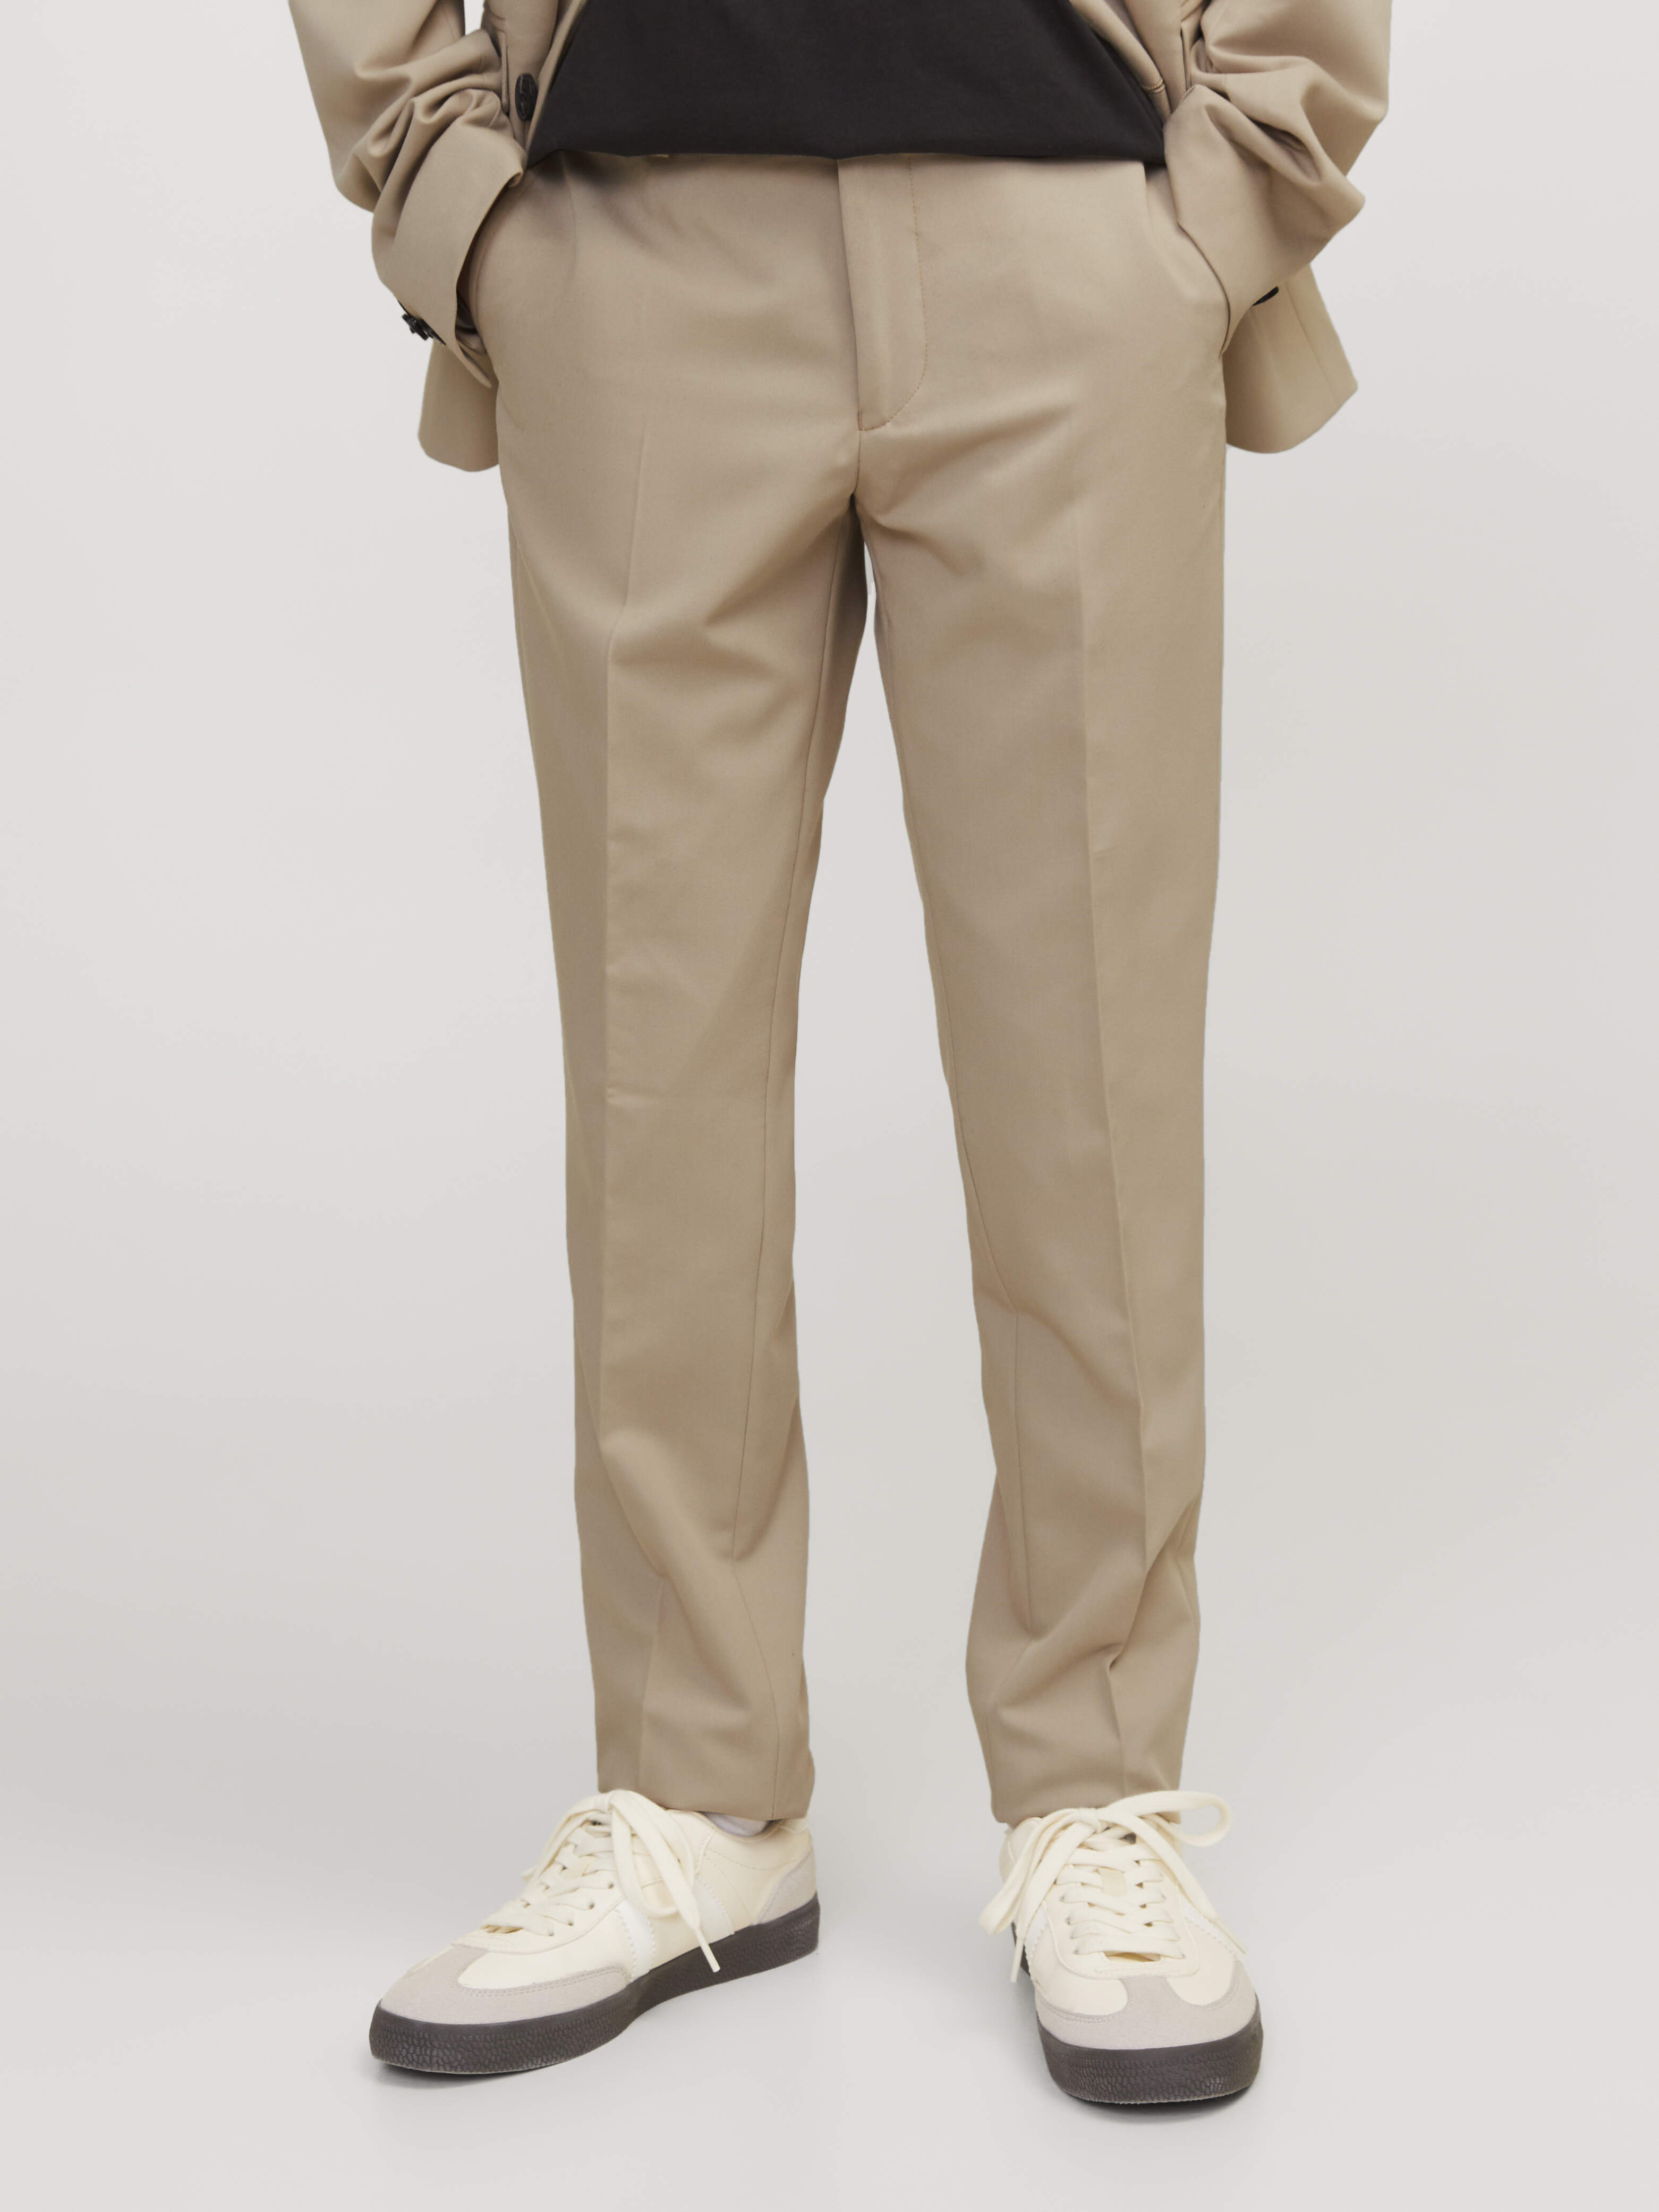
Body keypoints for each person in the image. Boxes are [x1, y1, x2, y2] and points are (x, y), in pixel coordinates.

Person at [288, 0, 1388, 2105]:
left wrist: (1229, 190)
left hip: (1069, 234)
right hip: (633, 249)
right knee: (657, 1070)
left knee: (1088, 1074)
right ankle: (696, 1790)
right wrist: (455, 191)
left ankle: (1096, 1789)